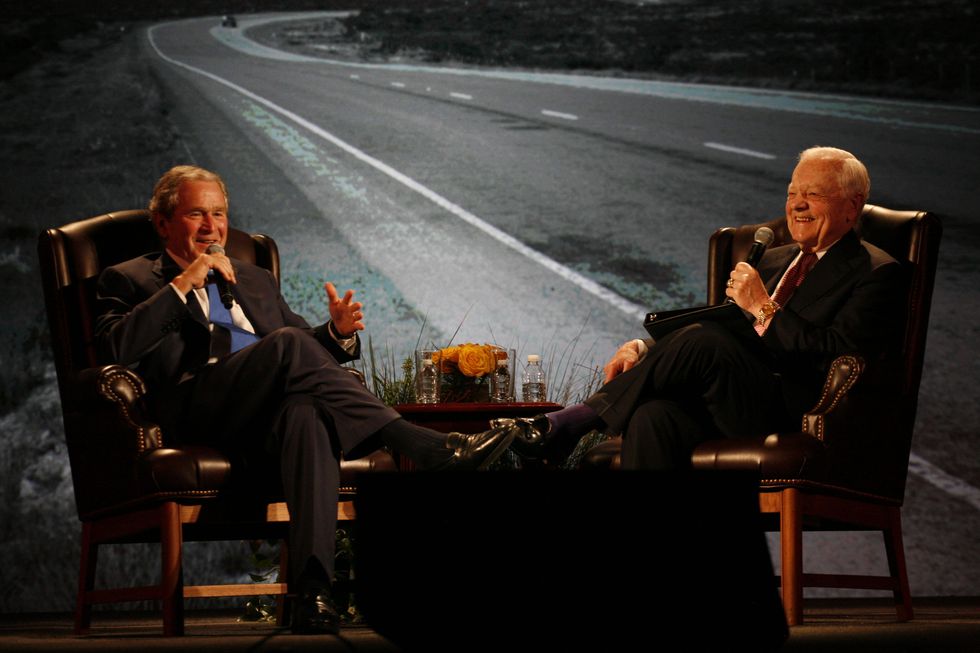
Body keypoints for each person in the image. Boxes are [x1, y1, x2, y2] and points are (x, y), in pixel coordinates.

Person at [95, 165, 516, 635]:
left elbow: (300, 348)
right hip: (198, 410)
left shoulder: (252, 278)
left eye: (219, 213)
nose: (212, 226)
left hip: (265, 415)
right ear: (163, 222)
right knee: (291, 346)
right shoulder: (129, 278)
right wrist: (185, 283)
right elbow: (115, 349)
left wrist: (335, 332)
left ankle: (312, 591)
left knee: (307, 414)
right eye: (197, 213)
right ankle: (419, 444)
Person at [503, 146, 905, 469]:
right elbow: (725, 329)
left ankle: (573, 422)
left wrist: (765, 309)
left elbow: (840, 353)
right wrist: (645, 350)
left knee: (706, 342)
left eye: (813, 194)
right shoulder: (772, 260)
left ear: (852, 206)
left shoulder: (876, 271)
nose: (797, 205)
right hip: (728, 400)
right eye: (792, 193)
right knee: (653, 417)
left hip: (794, 413)